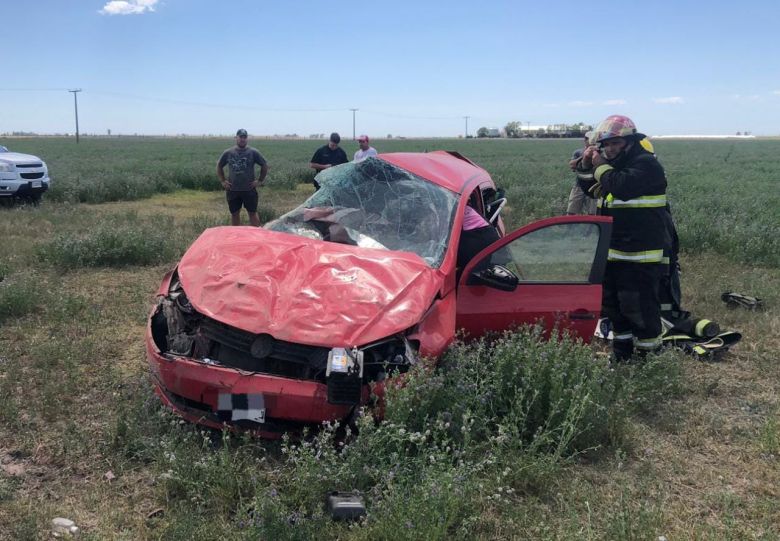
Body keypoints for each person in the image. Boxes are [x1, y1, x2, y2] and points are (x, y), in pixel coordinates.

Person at [576, 115, 668, 361]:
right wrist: (586, 167)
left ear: (629, 141)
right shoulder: (614, 167)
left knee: (640, 309)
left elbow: (621, 186)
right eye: (606, 145)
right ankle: (622, 354)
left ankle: (649, 359)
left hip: (640, 254)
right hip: (615, 252)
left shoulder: (646, 164)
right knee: (615, 308)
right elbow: (593, 189)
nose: (610, 148)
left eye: (615, 143)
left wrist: (599, 165)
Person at [217, 129, 269, 226]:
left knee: (252, 213)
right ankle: (237, 236)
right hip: (233, 190)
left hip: (249, 189)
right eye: (240, 137)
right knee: (235, 214)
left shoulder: (253, 152)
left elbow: (264, 165)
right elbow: (219, 165)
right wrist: (223, 181)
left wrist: (260, 180)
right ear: (236, 138)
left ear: (247, 139)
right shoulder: (228, 152)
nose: (242, 139)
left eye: (244, 137)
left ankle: (257, 236)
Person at [565, 132, 597, 215]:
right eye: (589, 139)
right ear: (585, 140)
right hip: (579, 185)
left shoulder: (598, 152)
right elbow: (572, 165)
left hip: (594, 186)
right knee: (572, 211)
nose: (591, 141)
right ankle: (570, 227)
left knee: (593, 213)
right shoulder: (578, 152)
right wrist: (585, 156)